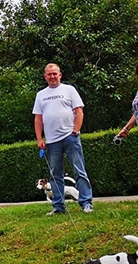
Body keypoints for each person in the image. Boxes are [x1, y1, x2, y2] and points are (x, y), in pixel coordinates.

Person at [33, 63, 94, 215]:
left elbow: (79, 111)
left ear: (60, 75)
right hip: (52, 141)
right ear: (45, 76)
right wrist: (40, 138)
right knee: (55, 174)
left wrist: (76, 130)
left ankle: (86, 203)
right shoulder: (41, 95)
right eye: (49, 74)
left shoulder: (69, 90)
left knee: (79, 170)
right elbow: (38, 119)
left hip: (70, 137)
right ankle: (59, 206)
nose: (52, 76)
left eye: (55, 73)